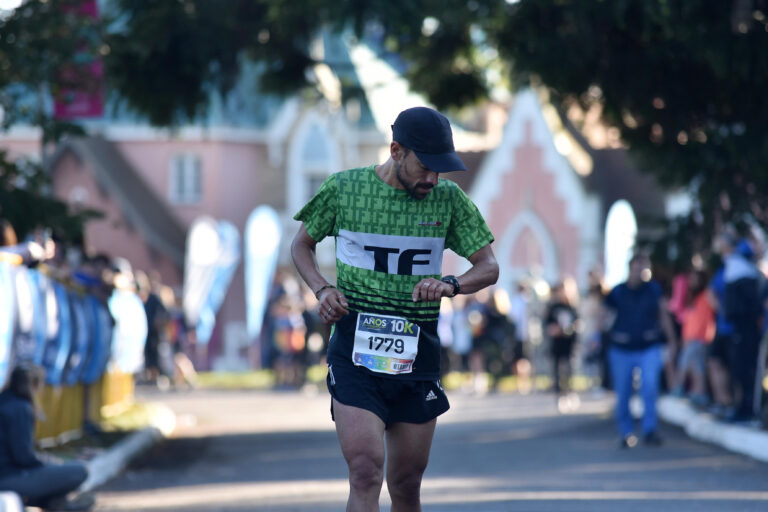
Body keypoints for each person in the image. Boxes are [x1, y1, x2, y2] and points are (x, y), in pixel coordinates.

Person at [291, 106, 498, 511]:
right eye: (425, 167)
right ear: (396, 150)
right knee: (366, 471)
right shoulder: (344, 189)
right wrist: (321, 289)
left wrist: (451, 284)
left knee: (405, 484)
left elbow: (489, 267)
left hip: (417, 350)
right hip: (355, 349)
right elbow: (301, 244)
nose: (433, 179)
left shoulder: (448, 200)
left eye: (441, 170)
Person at [602, 254, 678, 448]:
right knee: (624, 391)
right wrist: (597, 338)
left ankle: (650, 430)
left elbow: (663, 315)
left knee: (650, 388)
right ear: (630, 269)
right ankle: (626, 432)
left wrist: (671, 340)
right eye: (637, 268)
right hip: (621, 348)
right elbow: (604, 317)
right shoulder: (617, 292)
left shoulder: (653, 290)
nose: (641, 272)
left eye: (644, 268)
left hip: (648, 346)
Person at [0, 365, 94, 511]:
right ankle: (59, 506)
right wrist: (51, 462)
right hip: (8, 477)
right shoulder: (21, 408)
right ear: (35, 384)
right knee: (79, 471)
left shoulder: (5, 401)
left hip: (7, 474)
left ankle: (59, 505)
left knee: (56, 474)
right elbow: (23, 457)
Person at [672, 269, 715, 407]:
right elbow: (690, 320)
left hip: (700, 338)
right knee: (697, 366)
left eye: (695, 279)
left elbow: (705, 319)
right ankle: (699, 392)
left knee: (684, 362)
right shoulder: (693, 298)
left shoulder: (707, 296)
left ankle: (678, 388)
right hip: (691, 338)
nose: (692, 282)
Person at [544, 282, 579, 396]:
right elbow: (547, 323)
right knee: (556, 365)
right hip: (557, 341)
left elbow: (577, 323)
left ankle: (569, 389)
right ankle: (558, 389)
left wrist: (568, 330)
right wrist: (554, 329)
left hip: (569, 341)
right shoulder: (553, 307)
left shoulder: (573, 307)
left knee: (569, 365)